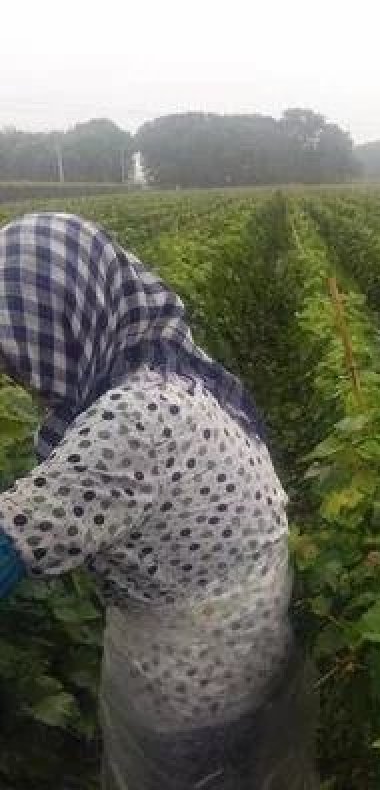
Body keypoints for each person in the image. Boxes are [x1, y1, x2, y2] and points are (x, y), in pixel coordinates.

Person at [0, 213, 317, 789]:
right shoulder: (161, 377)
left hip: (193, 684)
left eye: (19, 350)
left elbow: (13, 540)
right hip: (242, 650)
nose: (16, 375)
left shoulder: (135, 419)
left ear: (65, 320)